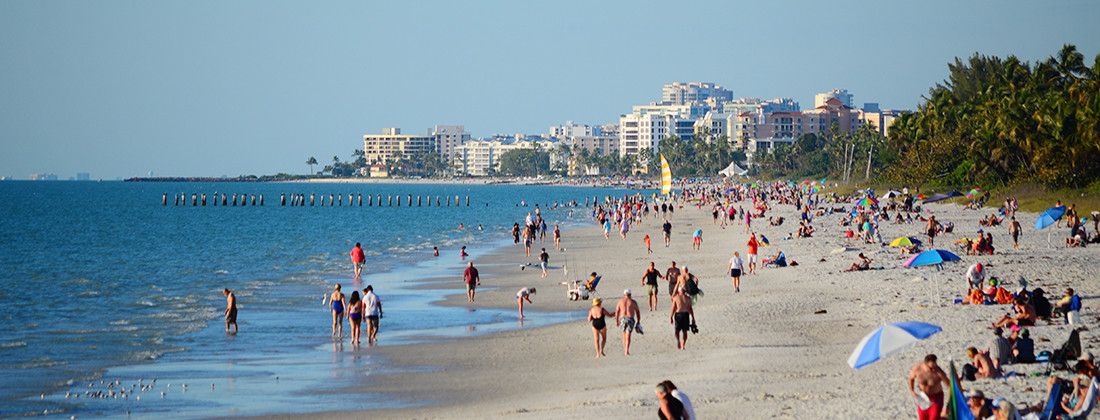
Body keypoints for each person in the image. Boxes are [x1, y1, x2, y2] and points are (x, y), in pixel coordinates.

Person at [908, 354, 951, 420]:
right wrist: (912, 391)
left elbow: (949, 386)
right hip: (923, 398)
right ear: (925, 364)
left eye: (934, 367)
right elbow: (911, 379)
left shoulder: (939, 372)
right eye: (930, 368)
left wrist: (948, 404)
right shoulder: (917, 369)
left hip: (936, 399)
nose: (933, 370)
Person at [615, 289, 641, 356]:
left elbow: (617, 312)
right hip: (630, 319)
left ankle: (625, 349)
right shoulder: (633, 302)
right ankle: (627, 350)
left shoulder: (620, 302)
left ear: (624, 295)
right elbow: (637, 312)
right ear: (630, 294)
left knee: (624, 334)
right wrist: (638, 321)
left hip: (622, 319)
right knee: (628, 334)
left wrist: (616, 321)